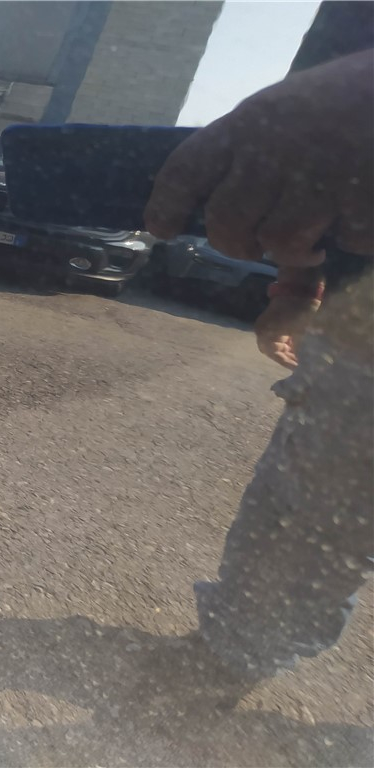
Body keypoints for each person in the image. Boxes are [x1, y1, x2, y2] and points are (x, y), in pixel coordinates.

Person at [143, 47, 373, 685]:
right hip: (350, 348)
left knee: (326, 527)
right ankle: (234, 647)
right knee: (289, 509)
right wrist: (298, 287)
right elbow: (315, 189)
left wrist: (357, 88)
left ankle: (238, 657)